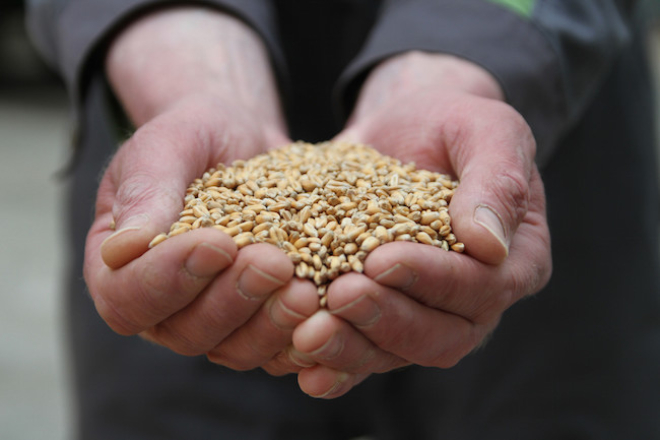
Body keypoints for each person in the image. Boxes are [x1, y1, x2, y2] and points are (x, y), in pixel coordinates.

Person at [27, 0, 660, 438]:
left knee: (538, 410)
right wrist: (175, 46)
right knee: (181, 388)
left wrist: (464, 45)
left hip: (524, 113)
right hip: (182, 152)